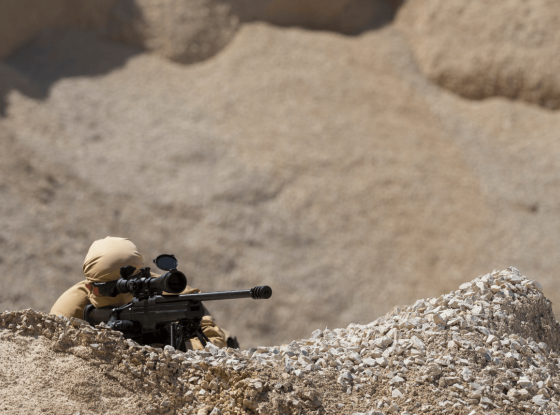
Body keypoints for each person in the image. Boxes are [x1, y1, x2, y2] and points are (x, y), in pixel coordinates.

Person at [51, 236, 229, 350]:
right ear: (89, 287)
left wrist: (166, 343)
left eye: (128, 286)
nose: (120, 296)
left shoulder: (169, 293)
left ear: (141, 278)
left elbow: (215, 343)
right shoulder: (69, 309)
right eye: (107, 289)